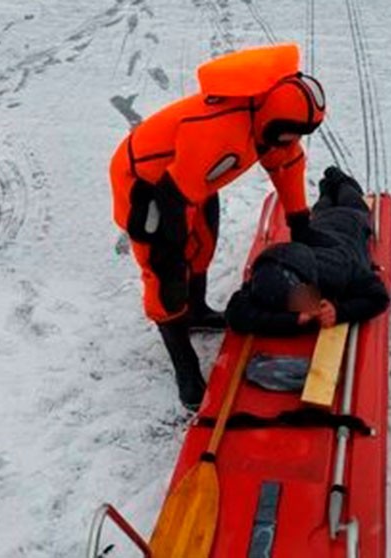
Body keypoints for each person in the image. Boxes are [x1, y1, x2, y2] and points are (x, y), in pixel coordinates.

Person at [108, 44, 326, 410]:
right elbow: (172, 198)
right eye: (289, 133)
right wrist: (167, 252)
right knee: (166, 275)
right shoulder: (217, 133)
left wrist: (300, 222)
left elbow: (286, 165)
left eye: (298, 133)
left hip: (191, 179)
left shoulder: (271, 125)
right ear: (272, 122)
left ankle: (195, 309)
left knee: (203, 246)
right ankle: (185, 368)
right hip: (146, 183)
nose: (292, 140)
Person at [226, 167, 390, 336]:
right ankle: (327, 184)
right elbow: (236, 314)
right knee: (324, 200)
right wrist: (294, 320)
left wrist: (339, 312)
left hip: (350, 220)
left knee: (349, 193)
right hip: (319, 223)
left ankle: (337, 177)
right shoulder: (265, 279)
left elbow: (378, 296)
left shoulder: (337, 269)